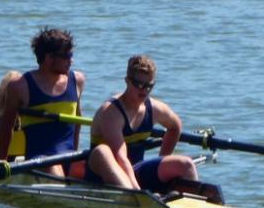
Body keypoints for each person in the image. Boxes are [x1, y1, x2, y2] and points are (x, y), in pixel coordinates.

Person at [86, 55, 202, 197]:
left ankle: (194, 203)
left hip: (135, 170)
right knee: (102, 151)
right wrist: (140, 193)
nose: (144, 90)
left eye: (149, 86)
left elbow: (175, 126)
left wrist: (162, 159)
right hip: (104, 172)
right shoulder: (111, 113)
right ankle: (135, 197)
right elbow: (121, 158)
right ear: (127, 81)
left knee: (186, 164)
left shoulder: (155, 109)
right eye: (139, 85)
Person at [0, 27, 85, 177]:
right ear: (49, 58)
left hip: (69, 157)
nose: (71, 60)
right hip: (40, 161)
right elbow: (6, 127)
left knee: (99, 156)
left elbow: (78, 122)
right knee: (53, 166)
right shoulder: (20, 86)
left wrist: (75, 156)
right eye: (67, 55)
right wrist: (2, 163)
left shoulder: (77, 80)